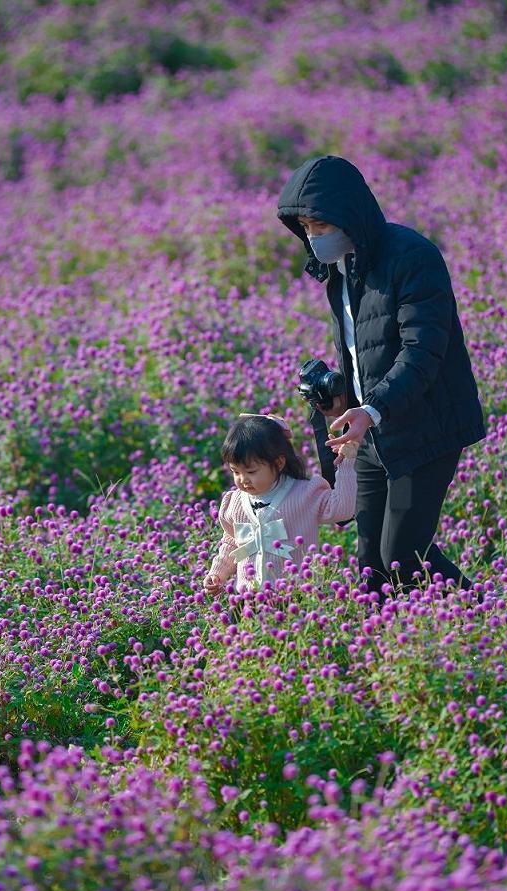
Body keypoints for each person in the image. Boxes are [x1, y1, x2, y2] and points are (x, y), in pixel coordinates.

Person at [277, 155, 485, 600]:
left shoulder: (413, 257)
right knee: (371, 562)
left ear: (348, 214)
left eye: (320, 224)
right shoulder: (342, 267)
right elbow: (359, 349)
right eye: (306, 227)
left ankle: (489, 619)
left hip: (427, 424)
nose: (313, 236)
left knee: (403, 554)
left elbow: (423, 351)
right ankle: (391, 644)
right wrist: (341, 401)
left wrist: (371, 408)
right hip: (370, 430)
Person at [203, 413, 358, 595]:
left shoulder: (304, 494)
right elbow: (232, 543)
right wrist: (218, 573)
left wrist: (347, 464)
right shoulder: (236, 502)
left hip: (297, 595)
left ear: (278, 463)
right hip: (248, 598)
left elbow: (343, 509)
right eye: (235, 471)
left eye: (251, 471)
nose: (243, 479)